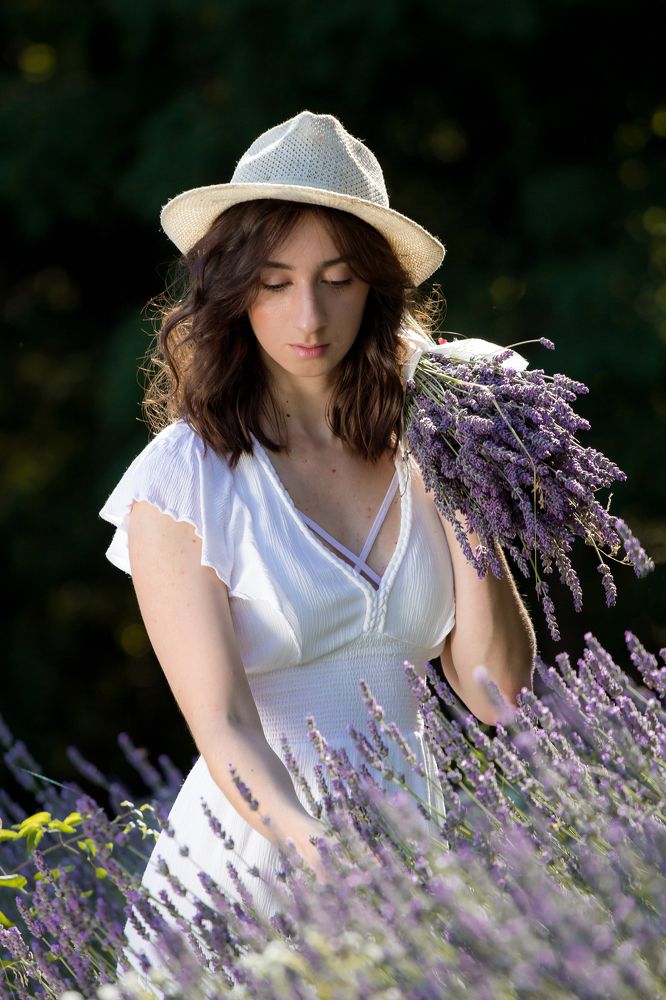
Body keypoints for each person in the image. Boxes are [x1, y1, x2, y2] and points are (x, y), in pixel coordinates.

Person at [100, 110, 536, 982]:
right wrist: (327, 859)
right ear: (235, 290)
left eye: (338, 280)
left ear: (375, 289)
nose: (309, 314)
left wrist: (469, 492)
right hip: (258, 864)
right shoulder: (184, 480)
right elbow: (223, 724)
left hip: (415, 846)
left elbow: (496, 696)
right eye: (276, 281)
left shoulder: (432, 443)